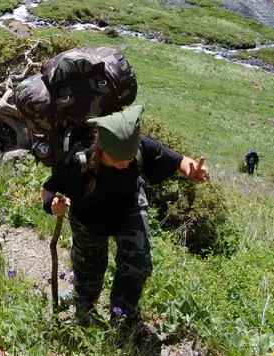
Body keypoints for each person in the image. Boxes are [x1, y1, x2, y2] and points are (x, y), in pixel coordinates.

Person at [41, 105, 210, 341]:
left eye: (128, 160)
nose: (124, 164)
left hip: (128, 208)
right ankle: (85, 316)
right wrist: (53, 206)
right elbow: (48, 189)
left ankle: (123, 319)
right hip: (88, 217)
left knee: (138, 262)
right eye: (116, 160)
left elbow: (179, 160)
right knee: (88, 271)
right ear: (101, 149)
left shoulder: (140, 146)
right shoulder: (80, 160)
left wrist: (190, 170)